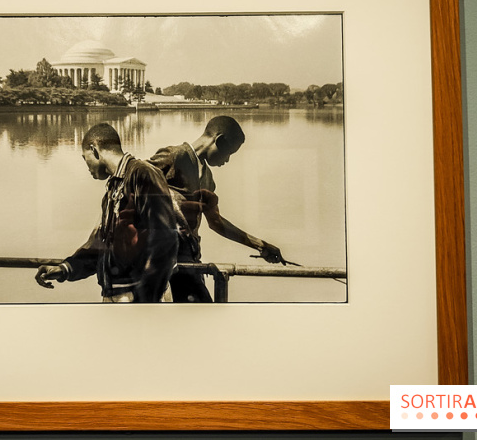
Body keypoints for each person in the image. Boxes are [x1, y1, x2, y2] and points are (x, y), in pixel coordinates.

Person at [149, 115, 294, 303]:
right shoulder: (174, 156)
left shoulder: (207, 179)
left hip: (190, 261)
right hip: (163, 262)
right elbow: (132, 182)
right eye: (229, 153)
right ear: (218, 140)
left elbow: (216, 222)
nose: (227, 161)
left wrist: (260, 244)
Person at [35, 123, 180, 303]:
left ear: (94, 149)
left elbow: (165, 241)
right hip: (117, 295)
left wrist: (146, 297)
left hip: (137, 297)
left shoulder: (142, 174)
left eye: (84, 158)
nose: (86, 166)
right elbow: (100, 246)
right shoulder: (113, 188)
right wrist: (65, 268)